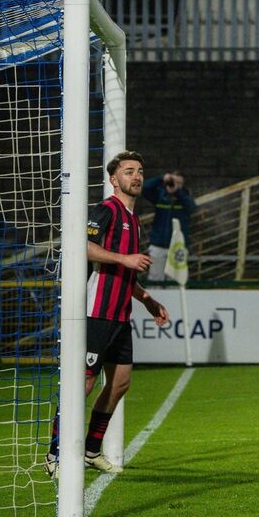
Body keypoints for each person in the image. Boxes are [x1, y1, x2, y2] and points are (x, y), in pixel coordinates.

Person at [45, 151, 170, 476]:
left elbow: (125, 273)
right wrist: (125, 259)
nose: (137, 176)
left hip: (120, 315)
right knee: (83, 383)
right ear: (114, 179)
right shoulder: (107, 210)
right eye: (129, 171)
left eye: (140, 171)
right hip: (97, 312)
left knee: (120, 383)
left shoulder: (134, 220)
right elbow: (82, 246)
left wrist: (145, 299)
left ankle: (90, 449)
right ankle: (55, 453)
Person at [142, 169, 196, 283]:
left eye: (179, 183)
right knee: (155, 279)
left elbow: (191, 207)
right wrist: (161, 178)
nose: (175, 185)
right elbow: (144, 188)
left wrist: (178, 192)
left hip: (178, 246)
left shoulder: (185, 196)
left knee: (175, 281)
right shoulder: (161, 195)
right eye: (173, 181)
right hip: (158, 244)